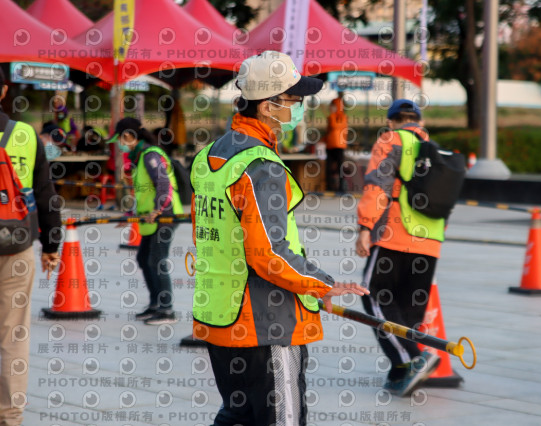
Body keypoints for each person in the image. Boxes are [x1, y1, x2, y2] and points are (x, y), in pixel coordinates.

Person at [190, 51, 369, 425]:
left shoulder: (209, 156)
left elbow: (204, 232)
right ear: (269, 106)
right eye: (294, 100)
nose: (301, 108)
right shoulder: (260, 167)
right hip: (265, 321)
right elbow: (268, 252)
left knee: (237, 414)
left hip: (218, 314)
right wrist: (322, 283)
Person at [355, 99, 444, 397]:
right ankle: (399, 371)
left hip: (394, 233)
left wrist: (365, 228)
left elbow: (377, 185)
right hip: (430, 240)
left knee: (374, 298)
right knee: (408, 309)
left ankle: (415, 358)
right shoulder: (435, 149)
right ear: (418, 120)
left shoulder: (390, 139)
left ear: (392, 121)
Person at [0, 68, 62, 426]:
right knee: (13, 334)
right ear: (4, 91)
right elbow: (45, 194)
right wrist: (51, 245)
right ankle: (9, 416)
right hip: (17, 243)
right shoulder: (24, 134)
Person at [108, 117, 184, 325]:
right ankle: (155, 305)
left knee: (157, 261)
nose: (119, 144)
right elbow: (142, 191)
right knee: (144, 259)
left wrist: (158, 209)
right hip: (150, 217)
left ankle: (167, 310)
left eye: (120, 139)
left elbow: (163, 184)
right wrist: (129, 215)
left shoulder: (150, 155)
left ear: (129, 136)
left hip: (164, 216)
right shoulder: (139, 156)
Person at [325, 92, 348, 192]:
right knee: (330, 167)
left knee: (338, 168)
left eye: (333, 106)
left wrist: (331, 117)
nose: (331, 108)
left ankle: (340, 187)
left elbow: (334, 127)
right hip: (332, 145)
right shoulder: (336, 117)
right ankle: (330, 186)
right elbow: (329, 131)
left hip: (338, 146)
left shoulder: (338, 117)